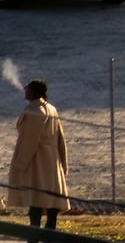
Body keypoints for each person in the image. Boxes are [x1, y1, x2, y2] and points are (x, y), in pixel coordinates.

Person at [6, 80, 60, 237]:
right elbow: (60, 138)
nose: (25, 91)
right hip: (50, 159)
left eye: (27, 89)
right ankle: (49, 235)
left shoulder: (36, 111)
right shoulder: (51, 109)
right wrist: (62, 161)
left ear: (34, 92)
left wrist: (20, 164)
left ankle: (35, 236)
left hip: (37, 160)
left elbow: (30, 140)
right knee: (51, 199)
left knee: (35, 199)